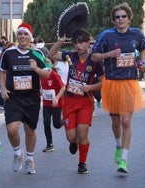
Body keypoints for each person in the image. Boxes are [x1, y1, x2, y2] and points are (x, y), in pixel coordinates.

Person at [91, 2, 145, 173]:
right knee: (116, 123)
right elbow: (95, 56)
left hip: (129, 83)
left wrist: (143, 63)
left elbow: (144, 48)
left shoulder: (137, 34)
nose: (120, 19)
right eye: (117, 17)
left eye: (123, 16)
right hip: (112, 84)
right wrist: (109, 54)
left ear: (129, 17)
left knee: (126, 121)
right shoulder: (106, 36)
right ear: (114, 20)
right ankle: (118, 145)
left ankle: (123, 160)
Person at [48, 28, 104, 174]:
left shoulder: (95, 61)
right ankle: (74, 143)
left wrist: (90, 87)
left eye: (81, 42)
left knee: (82, 132)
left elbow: (104, 82)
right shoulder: (70, 56)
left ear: (88, 43)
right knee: (72, 136)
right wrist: (60, 42)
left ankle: (82, 162)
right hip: (70, 102)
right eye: (76, 43)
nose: (78, 46)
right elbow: (50, 54)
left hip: (85, 102)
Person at [0, 22, 51, 174]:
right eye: (20, 34)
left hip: (32, 97)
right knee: (11, 129)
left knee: (30, 131)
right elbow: (2, 72)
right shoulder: (8, 53)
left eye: (25, 34)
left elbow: (48, 73)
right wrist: (2, 88)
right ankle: (17, 153)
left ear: (30, 37)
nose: (22, 37)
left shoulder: (37, 54)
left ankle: (30, 158)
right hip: (13, 97)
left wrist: (35, 68)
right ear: (17, 36)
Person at [40, 67, 66, 152]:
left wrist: (57, 98)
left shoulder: (54, 75)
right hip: (46, 104)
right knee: (46, 122)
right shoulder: (41, 74)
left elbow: (63, 88)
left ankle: (66, 120)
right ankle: (49, 144)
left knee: (57, 125)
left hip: (56, 104)